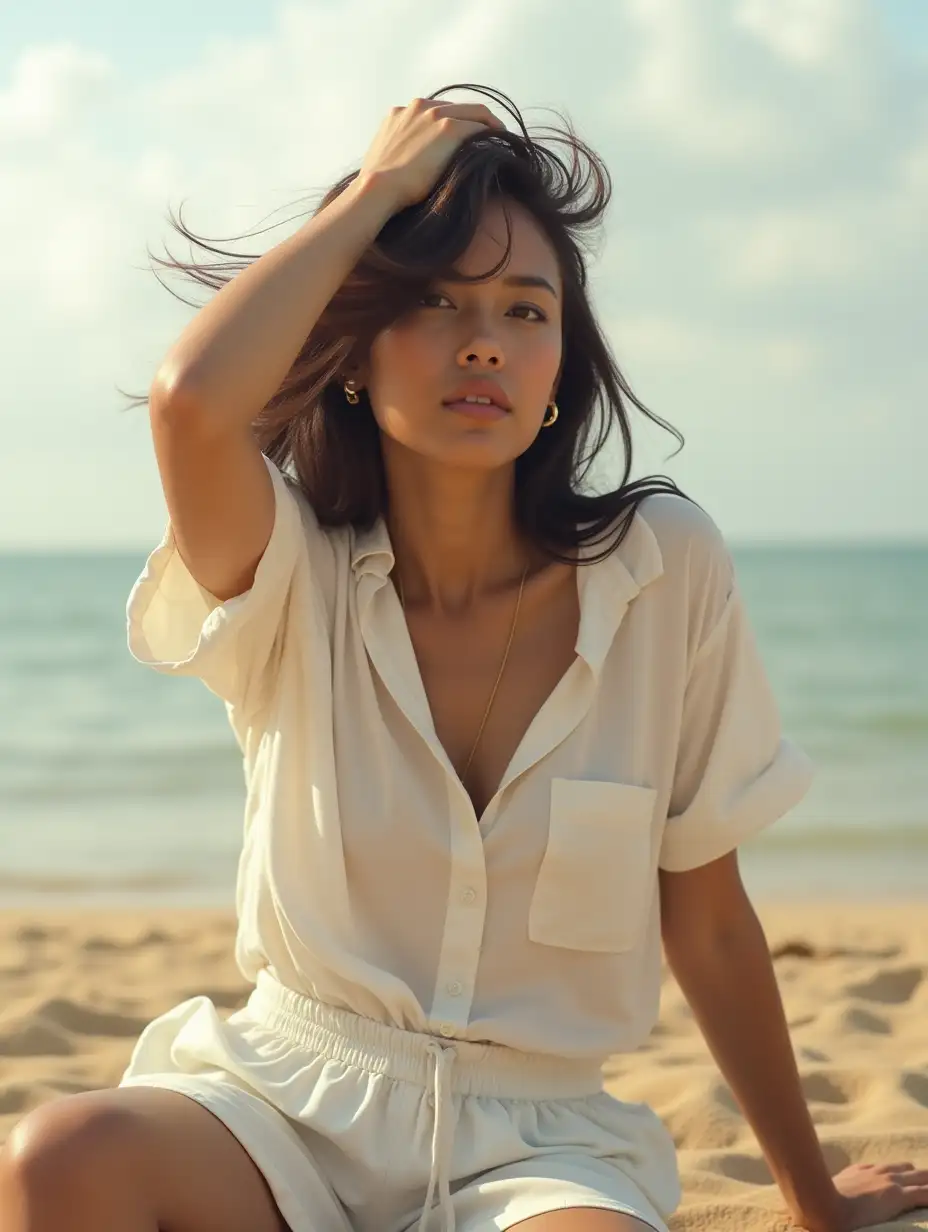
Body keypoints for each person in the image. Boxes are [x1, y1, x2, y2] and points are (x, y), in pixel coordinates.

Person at [3, 85, 925, 1232]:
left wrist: (809, 1193)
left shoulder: (663, 570)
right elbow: (192, 404)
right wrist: (377, 198)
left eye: (525, 310)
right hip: (285, 1107)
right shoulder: (289, 573)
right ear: (353, 348)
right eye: (433, 300)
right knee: (62, 1153)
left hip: (540, 1143)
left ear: (557, 373)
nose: (483, 337)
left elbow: (711, 917)